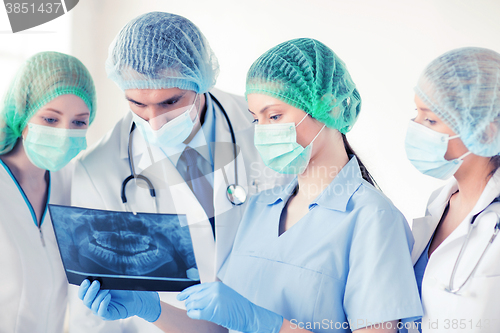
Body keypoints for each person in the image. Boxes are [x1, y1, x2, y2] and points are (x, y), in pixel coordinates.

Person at [78, 38, 423, 333]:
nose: (263, 131)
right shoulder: (260, 207)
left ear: (329, 107)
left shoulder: (372, 219)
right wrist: (150, 308)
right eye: (256, 118)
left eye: (275, 116)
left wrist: (269, 325)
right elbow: (222, 325)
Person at [69, 12, 290, 333]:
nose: (155, 122)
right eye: (137, 104)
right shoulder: (99, 169)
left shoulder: (262, 124)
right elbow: (95, 312)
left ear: (199, 80)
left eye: (170, 101)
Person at [403, 47, 500, 333]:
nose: (415, 128)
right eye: (416, 114)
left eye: (430, 119)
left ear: (484, 132)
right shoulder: (439, 203)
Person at [0, 51, 96, 333]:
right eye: (51, 120)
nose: (65, 133)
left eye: (79, 122)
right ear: (22, 114)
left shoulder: (72, 184)